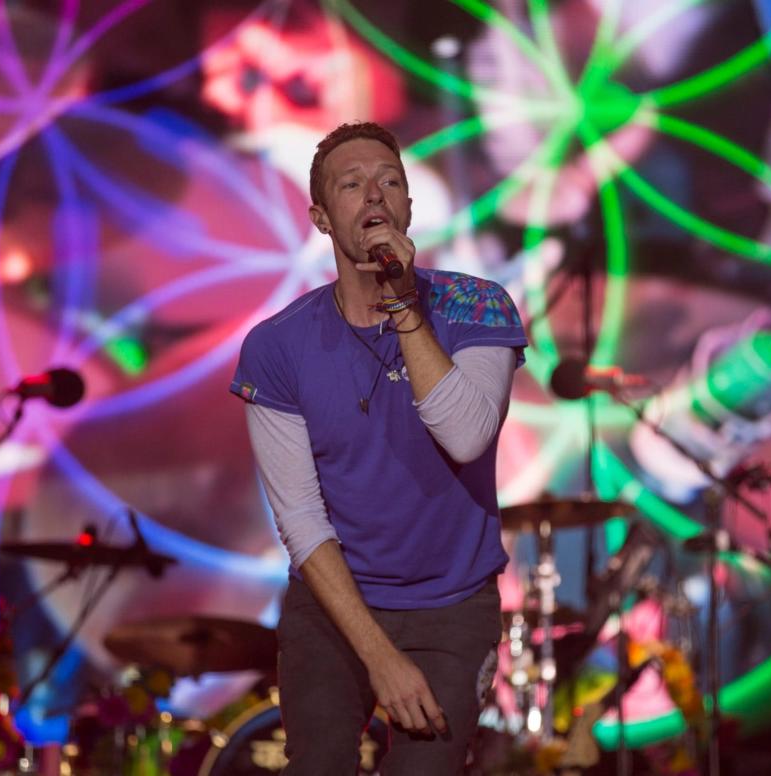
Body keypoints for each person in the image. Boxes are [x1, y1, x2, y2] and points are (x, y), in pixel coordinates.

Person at [229, 121, 528, 774]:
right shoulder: (277, 347)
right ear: (320, 218)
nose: (373, 195)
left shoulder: (477, 307)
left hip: (452, 604)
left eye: (390, 181)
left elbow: (466, 434)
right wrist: (380, 656)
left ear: (409, 209)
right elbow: (302, 520)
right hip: (337, 607)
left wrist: (403, 307)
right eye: (352, 183)